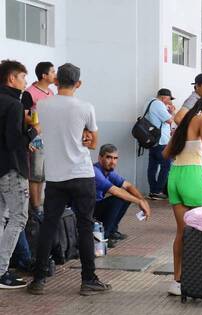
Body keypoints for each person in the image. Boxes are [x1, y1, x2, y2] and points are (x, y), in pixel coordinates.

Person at [28, 63, 111, 296]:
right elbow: (93, 142)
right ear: (79, 83)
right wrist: (84, 137)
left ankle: (39, 280)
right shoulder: (85, 107)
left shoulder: (43, 105)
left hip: (55, 176)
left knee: (49, 225)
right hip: (81, 174)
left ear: (55, 82)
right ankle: (88, 280)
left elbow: (39, 128)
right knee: (85, 226)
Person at [163, 96, 202, 296]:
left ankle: (177, 281)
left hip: (175, 176)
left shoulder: (185, 121)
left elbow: (166, 153)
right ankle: (199, 278)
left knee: (182, 232)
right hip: (193, 176)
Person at [0, 60, 39, 289]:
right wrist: (33, 131)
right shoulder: (14, 104)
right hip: (13, 169)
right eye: (23, 77)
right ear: (12, 78)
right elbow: (14, 142)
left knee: (2, 216)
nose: (25, 82)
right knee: (18, 217)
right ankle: (2, 270)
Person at [93, 144, 151, 248]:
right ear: (100, 158)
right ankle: (104, 236)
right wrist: (139, 202)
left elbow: (128, 185)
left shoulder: (109, 172)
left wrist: (142, 200)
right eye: (109, 157)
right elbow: (115, 191)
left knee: (126, 197)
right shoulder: (95, 171)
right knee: (119, 199)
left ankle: (111, 231)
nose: (113, 162)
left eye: (115, 158)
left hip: (96, 207)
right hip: (87, 210)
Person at [25, 62, 56, 215]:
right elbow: (23, 116)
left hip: (49, 138)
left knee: (44, 174)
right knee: (35, 174)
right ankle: (35, 207)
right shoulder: (29, 92)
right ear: (44, 75)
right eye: (52, 71)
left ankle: (41, 205)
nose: (55, 74)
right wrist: (37, 121)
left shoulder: (51, 92)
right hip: (36, 137)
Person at [146, 88, 175, 200]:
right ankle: (157, 191)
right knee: (166, 165)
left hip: (152, 140)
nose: (169, 102)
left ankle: (153, 191)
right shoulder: (158, 104)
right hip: (161, 141)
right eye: (168, 100)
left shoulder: (149, 103)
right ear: (163, 97)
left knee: (152, 166)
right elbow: (169, 120)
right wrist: (172, 112)